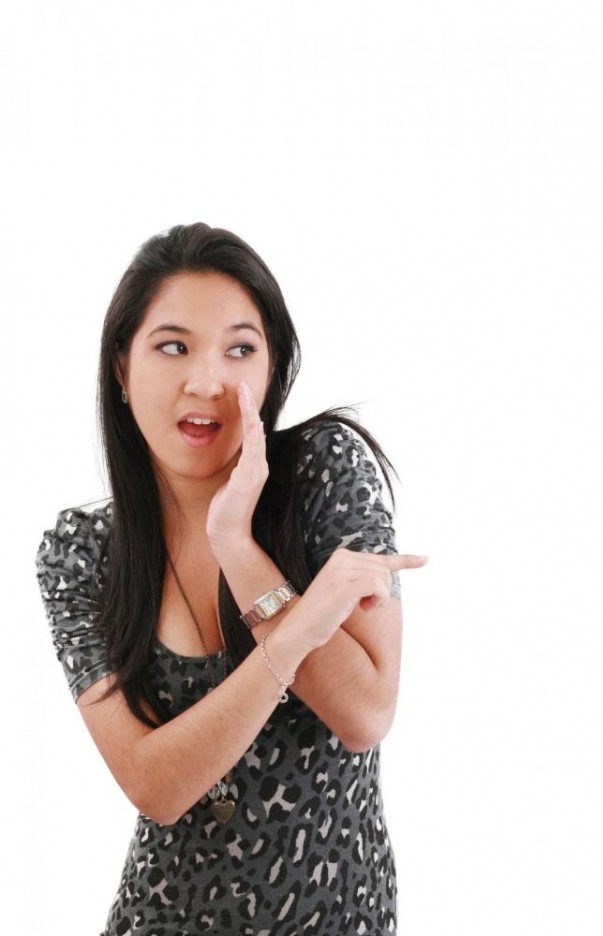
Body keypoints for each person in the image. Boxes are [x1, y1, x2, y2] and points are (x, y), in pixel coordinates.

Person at [36, 222, 426, 936]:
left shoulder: (323, 474)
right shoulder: (81, 552)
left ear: (273, 370)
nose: (208, 380)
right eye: (173, 346)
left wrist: (236, 546)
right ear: (121, 368)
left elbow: (366, 713)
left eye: (240, 348)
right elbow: (156, 787)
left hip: (340, 917)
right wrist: (302, 624)